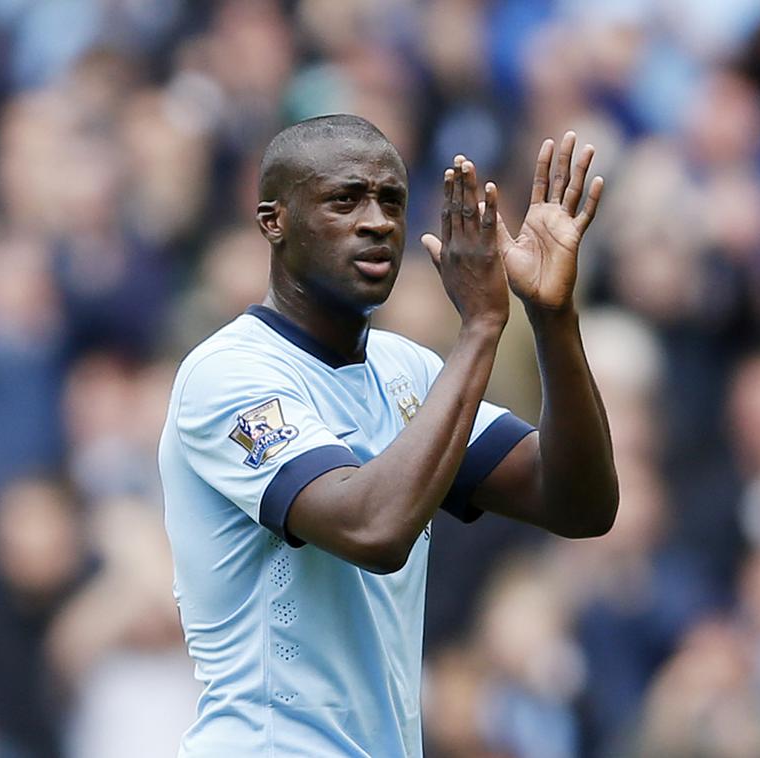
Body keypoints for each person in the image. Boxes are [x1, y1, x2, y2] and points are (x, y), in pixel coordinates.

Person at [158, 113, 618, 756]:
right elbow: (373, 530)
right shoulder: (228, 375)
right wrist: (482, 328)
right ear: (274, 221)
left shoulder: (410, 371)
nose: (376, 221)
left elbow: (578, 503)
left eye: (392, 201)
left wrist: (551, 317)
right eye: (344, 200)